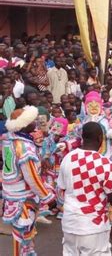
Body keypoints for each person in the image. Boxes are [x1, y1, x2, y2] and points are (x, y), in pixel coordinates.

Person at [57, 121, 112, 255]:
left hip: (69, 224)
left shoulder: (68, 159)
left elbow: (61, 190)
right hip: (93, 227)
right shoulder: (105, 163)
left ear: (82, 137)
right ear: (100, 138)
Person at [2, 106, 56, 255]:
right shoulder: (24, 147)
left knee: (23, 234)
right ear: (25, 125)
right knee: (23, 234)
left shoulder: (8, 139)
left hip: (12, 193)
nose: (36, 122)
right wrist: (48, 197)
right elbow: (31, 178)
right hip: (24, 197)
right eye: (32, 121)